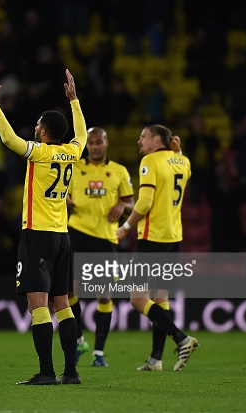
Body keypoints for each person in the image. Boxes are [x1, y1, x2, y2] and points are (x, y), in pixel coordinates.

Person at [0, 68, 86, 385]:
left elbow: (7, 138)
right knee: (63, 305)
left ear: (43, 133)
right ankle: (71, 373)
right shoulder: (71, 152)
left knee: (37, 305)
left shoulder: (39, 154)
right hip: (62, 236)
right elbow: (81, 136)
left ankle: (46, 372)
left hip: (37, 236)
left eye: (37, 126)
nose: (34, 129)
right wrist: (75, 102)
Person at [116, 125, 199, 371]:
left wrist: (126, 227)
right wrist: (179, 150)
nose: (139, 141)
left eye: (143, 137)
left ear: (157, 139)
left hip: (153, 238)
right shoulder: (183, 161)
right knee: (160, 297)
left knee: (137, 298)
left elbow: (145, 201)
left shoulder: (149, 161)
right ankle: (155, 359)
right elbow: (179, 173)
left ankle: (182, 338)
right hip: (175, 237)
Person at [66, 126, 135, 367]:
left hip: (106, 238)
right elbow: (58, 194)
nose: (94, 146)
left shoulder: (118, 171)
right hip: (76, 233)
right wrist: (66, 201)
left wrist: (122, 207)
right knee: (69, 293)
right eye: (91, 143)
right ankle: (79, 341)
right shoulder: (74, 168)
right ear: (87, 146)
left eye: (99, 142)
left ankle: (98, 353)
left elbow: (131, 201)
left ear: (106, 144)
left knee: (104, 295)